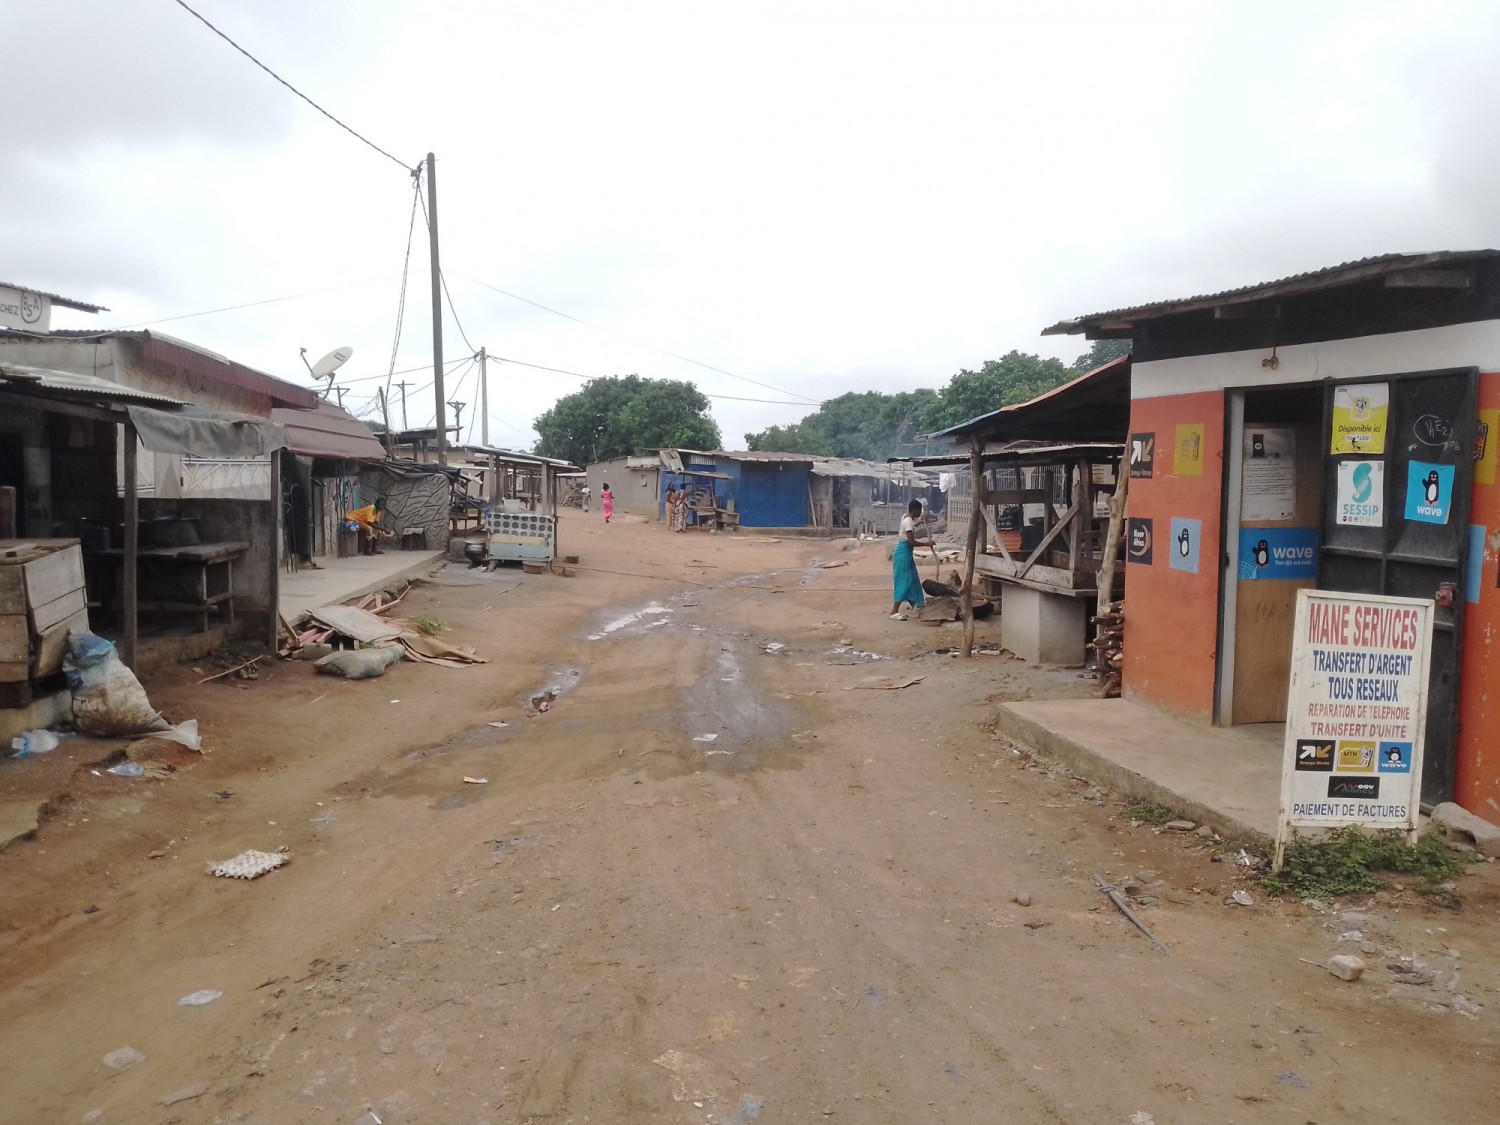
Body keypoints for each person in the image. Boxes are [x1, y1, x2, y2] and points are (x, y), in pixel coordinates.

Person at [890, 499, 933, 619]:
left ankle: (918, 605)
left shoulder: (907, 519)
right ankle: (894, 611)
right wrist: (927, 544)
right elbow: (911, 542)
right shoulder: (908, 521)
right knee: (904, 582)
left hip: (906, 554)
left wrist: (919, 522)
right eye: (919, 510)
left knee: (913, 580)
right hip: (903, 554)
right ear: (915, 510)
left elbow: (912, 527)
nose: (920, 512)